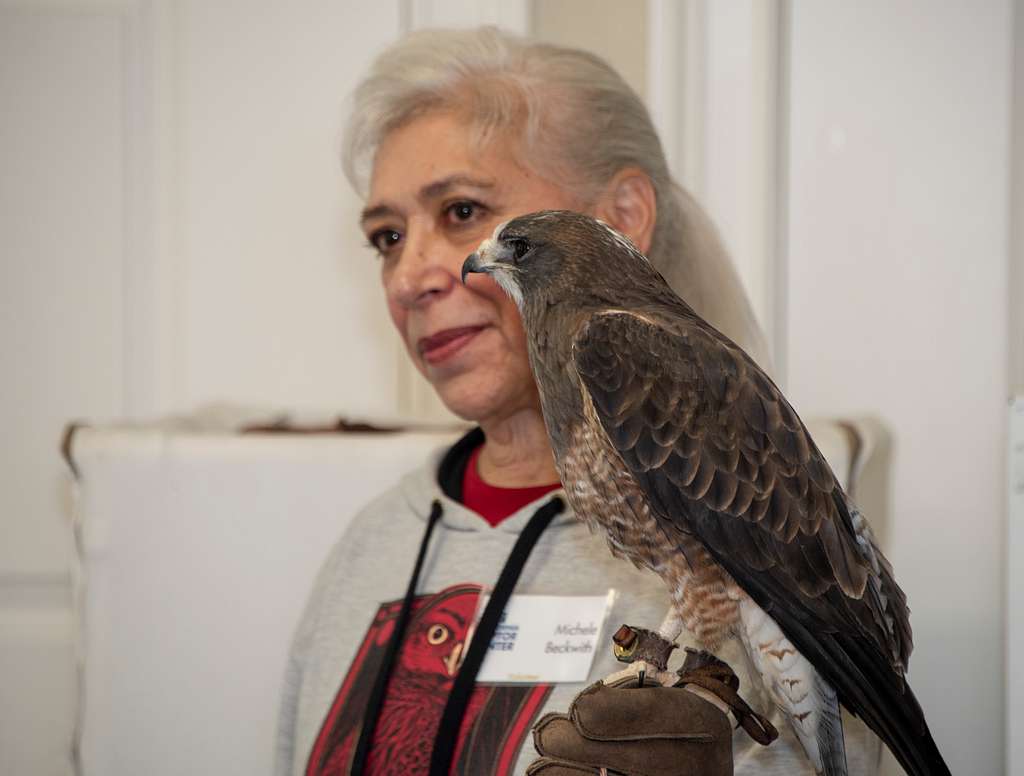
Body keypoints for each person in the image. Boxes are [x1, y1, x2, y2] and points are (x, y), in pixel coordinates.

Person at [275, 26, 879, 776]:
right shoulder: (370, 547)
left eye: (462, 210)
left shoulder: (755, 490)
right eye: (387, 237)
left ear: (622, 217)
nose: (412, 275)